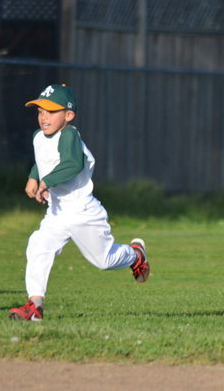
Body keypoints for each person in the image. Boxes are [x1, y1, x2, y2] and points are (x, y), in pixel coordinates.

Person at [9, 84, 150, 321]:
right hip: (56, 211)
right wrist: (34, 176)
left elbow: (72, 164)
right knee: (38, 244)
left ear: (69, 115)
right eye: (40, 111)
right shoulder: (38, 137)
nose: (44, 117)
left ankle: (136, 255)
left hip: (82, 210)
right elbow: (45, 159)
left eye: (51, 111)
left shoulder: (70, 135)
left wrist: (46, 181)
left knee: (104, 260)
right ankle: (35, 306)